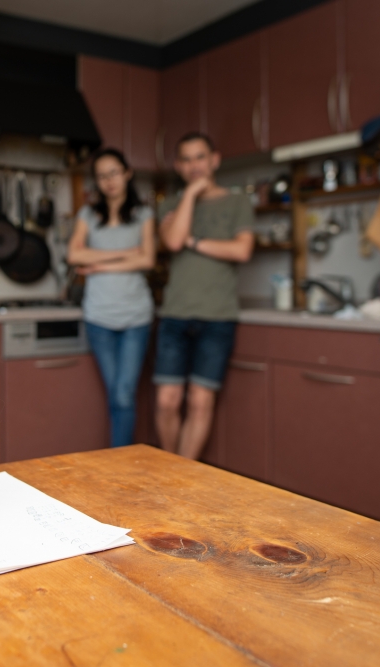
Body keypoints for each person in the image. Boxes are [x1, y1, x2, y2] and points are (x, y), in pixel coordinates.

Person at [155, 132, 255, 460]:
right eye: (186, 159)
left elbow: (241, 250)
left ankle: (184, 476)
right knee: (167, 400)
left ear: (215, 159)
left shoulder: (238, 202)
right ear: (178, 165)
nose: (194, 165)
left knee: (200, 402)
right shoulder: (170, 204)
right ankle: (171, 473)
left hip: (218, 315)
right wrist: (191, 195)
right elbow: (171, 242)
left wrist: (195, 242)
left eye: (200, 157)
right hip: (175, 314)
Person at [67, 148, 155, 449]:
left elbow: (148, 260)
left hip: (136, 316)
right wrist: (126, 252)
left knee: (123, 394)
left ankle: (122, 461)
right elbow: (74, 254)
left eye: (114, 173)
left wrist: (100, 266)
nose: (109, 181)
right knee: (116, 394)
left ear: (127, 173)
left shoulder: (143, 214)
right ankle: (120, 460)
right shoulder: (88, 215)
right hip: (99, 317)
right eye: (102, 175)